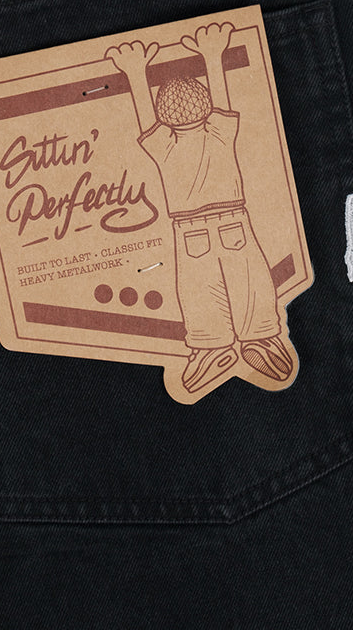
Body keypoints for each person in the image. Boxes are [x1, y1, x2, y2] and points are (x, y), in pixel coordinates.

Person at [106, 22, 296, 395]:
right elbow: (222, 102)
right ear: (202, 104)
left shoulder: (165, 146)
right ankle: (261, 338)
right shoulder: (220, 134)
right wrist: (211, 55)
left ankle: (212, 347)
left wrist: (136, 73)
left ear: (166, 114)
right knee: (249, 276)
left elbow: (147, 121)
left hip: (188, 227)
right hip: (232, 218)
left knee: (199, 285)